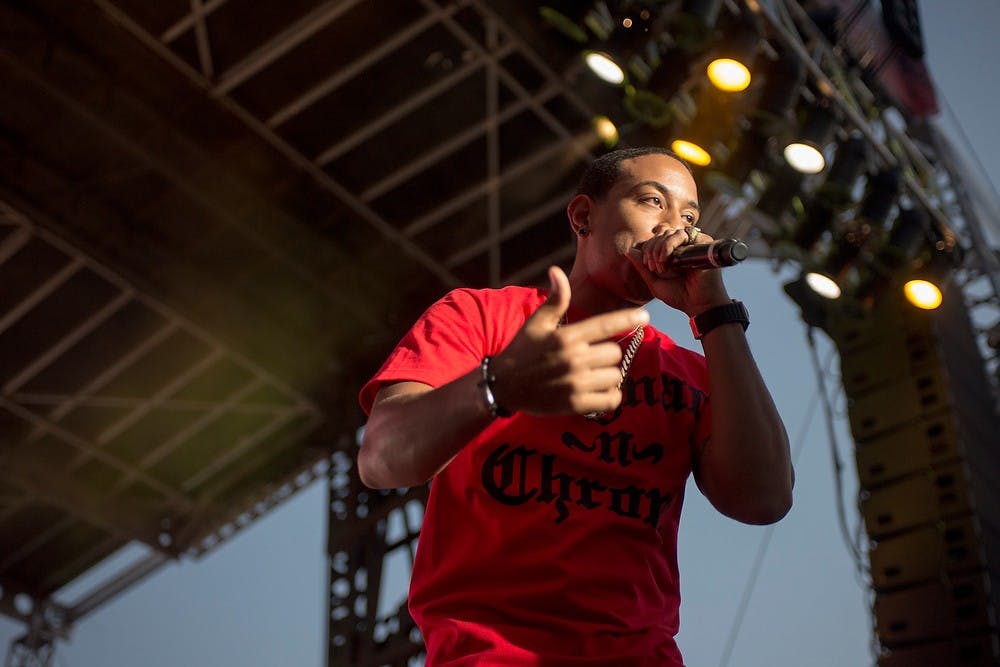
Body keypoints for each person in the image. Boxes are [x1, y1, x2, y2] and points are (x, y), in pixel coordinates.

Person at [357, 146, 794, 666]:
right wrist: (497, 387)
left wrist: (715, 312)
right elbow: (381, 460)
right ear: (584, 216)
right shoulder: (480, 316)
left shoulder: (693, 375)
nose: (676, 228)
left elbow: (764, 499)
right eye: (653, 201)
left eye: (690, 217)